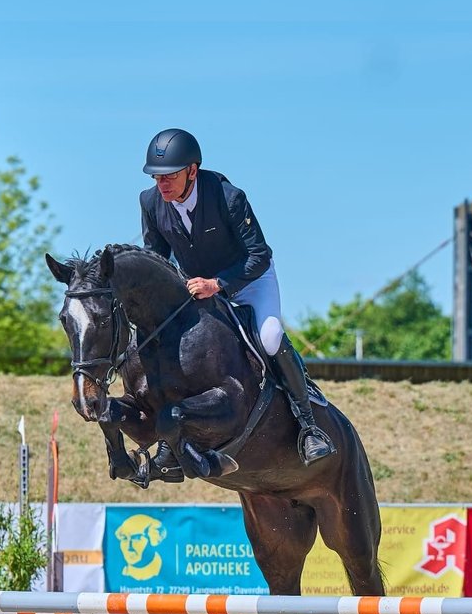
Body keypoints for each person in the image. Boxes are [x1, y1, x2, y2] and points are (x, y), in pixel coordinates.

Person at [139, 128, 335, 474]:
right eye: (157, 177)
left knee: (270, 337)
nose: (162, 185)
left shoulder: (228, 197)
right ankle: (172, 444)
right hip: (197, 287)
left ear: (192, 171)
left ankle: (309, 426)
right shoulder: (151, 203)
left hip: (249, 280)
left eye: (169, 176)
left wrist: (219, 284)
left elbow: (258, 255)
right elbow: (156, 256)